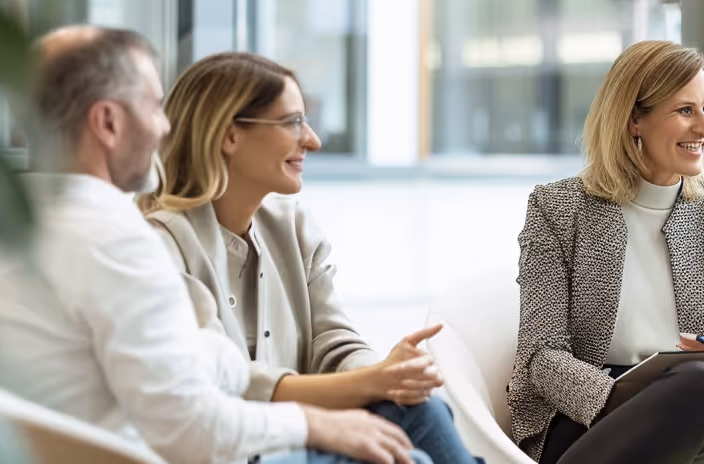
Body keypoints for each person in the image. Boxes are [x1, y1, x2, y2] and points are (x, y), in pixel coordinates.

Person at [0, 26, 424, 464]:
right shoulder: (118, 241)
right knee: (410, 452)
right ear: (109, 123)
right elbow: (191, 430)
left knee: (413, 425)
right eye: (154, 107)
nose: (164, 128)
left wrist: (211, 356)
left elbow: (159, 375)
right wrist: (312, 421)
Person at [139, 52, 472, 464]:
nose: (312, 139)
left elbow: (333, 344)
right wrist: (374, 381)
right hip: (225, 452)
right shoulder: (160, 244)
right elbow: (216, 387)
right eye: (293, 122)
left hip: (294, 441)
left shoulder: (293, 227)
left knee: (421, 410)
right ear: (230, 136)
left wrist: (388, 375)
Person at [509, 40, 704, 464]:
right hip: (593, 416)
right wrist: (627, 400)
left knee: (701, 385)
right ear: (634, 120)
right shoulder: (558, 210)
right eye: (685, 111)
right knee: (696, 387)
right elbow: (541, 354)